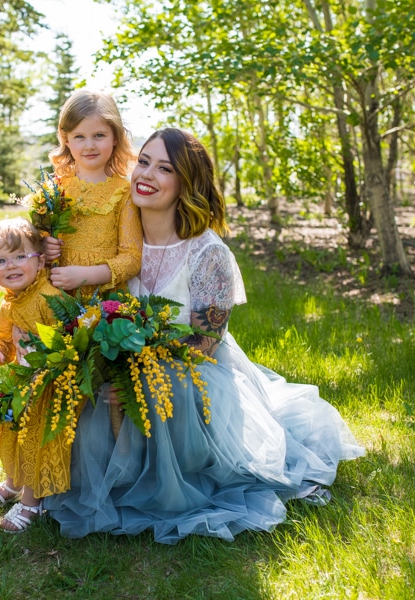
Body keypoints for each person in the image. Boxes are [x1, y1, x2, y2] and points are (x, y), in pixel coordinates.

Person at [43, 128, 366, 544]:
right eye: (143, 162)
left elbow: (205, 344)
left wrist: (136, 374)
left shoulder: (208, 253)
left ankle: (181, 473)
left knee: (163, 389)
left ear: (186, 183)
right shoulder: (121, 240)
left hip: (192, 371)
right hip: (127, 355)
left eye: (165, 168)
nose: (147, 175)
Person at [0, 218, 69, 533]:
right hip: (23, 383)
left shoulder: (49, 298)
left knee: (32, 440)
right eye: (0, 261)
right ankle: (13, 483)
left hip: (49, 387)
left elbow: (70, 338)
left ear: (40, 261)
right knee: (10, 434)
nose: (10, 265)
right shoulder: (8, 305)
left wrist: (44, 347)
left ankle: (32, 503)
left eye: (19, 257)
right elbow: (3, 339)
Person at [41, 89, 142, 297]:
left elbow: (132, 259)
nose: (89, 145)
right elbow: (29, 249)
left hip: (106, 305)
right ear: (66, 139)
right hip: (56, 299)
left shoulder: (123, 194)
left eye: (99, 135)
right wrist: (42, 246)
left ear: (115, 137)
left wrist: (85, 275)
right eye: (79, 136)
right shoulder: (53, 191)